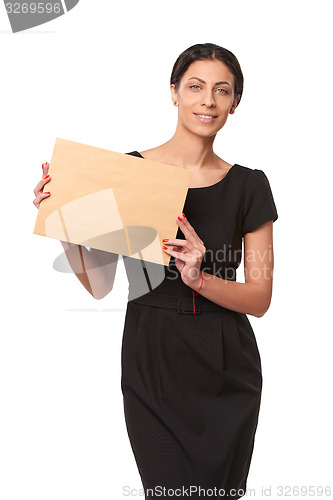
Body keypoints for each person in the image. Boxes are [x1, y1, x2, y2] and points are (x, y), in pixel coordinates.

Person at [33, 42, 278, 499]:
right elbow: (100, 283)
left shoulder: (249, 184)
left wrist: (199, 278)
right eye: (195, 87)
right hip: (154, 357)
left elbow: (260, 299)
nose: (208, 100)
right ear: (174, 93)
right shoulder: (130, 171)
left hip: (227, 362)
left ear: (235, 103)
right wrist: (65, 223)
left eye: (222, 91)